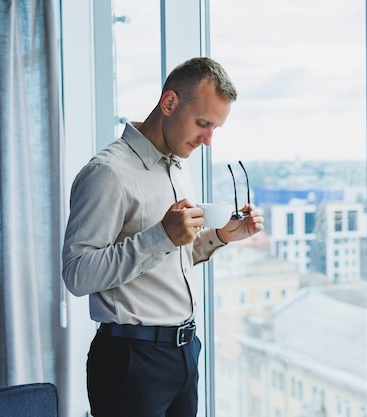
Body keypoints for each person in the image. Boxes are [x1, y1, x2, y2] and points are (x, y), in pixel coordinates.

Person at [62, 57, 264, 417]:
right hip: (131, 361)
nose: (208, 140)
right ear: (169, 103)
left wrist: (219, 237)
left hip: (184, 353)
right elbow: (77, 274)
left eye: (215, 128)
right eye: (203, 123)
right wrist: (161, 237)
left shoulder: (177, 165)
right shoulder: (107, 173)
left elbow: (171, 257)